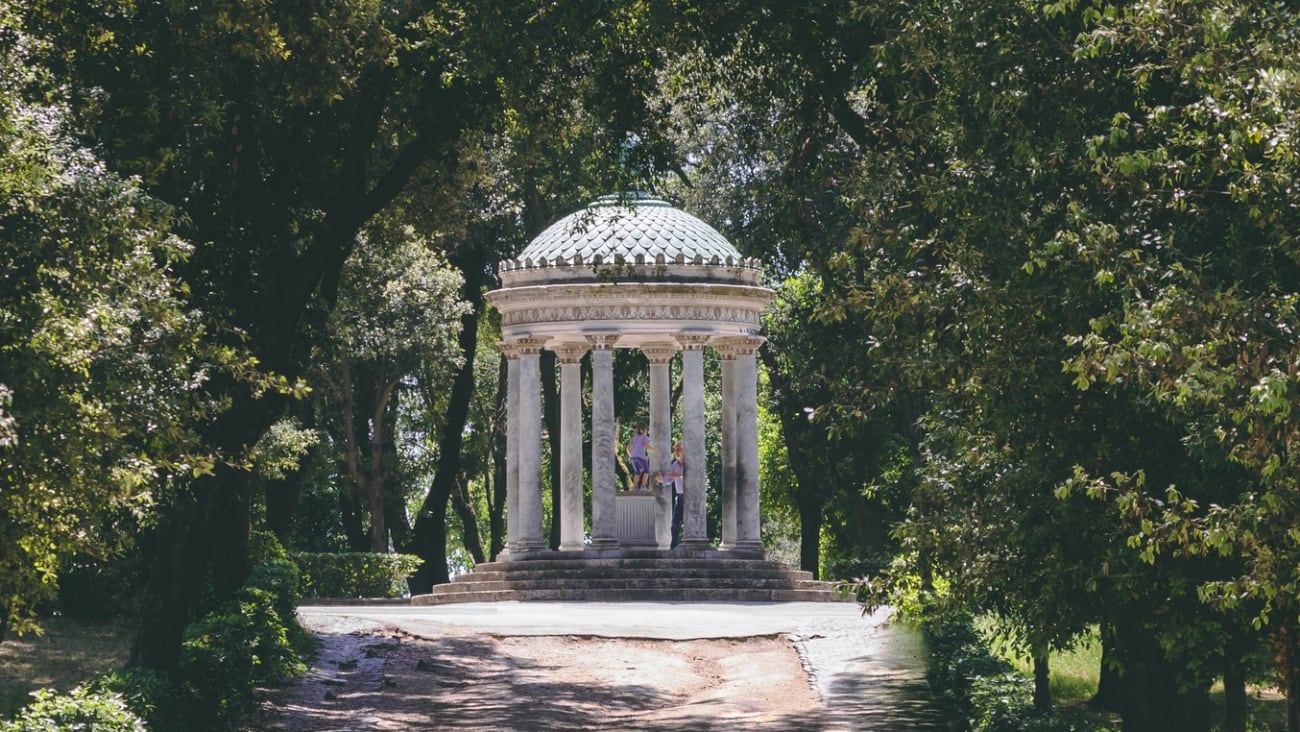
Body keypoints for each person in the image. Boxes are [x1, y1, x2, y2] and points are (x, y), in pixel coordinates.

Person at [657, 441, 685, 547]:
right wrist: (661, 480)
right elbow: (669, 479)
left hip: (691, 498)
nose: (675, 452)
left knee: (691, 524)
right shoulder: (675, 465)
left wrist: (677, 476)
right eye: (674, 450)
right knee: (674, 524)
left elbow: (693, 478)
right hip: (680, 498)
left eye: (678, 449)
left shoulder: (690, 464)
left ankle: (689, 545)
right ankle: (674, 548)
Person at [626, 421, 652, 491]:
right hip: (641, 457)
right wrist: (655, 450)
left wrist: (631, 456)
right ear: (645, 430)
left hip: (633, 458)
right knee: (646, 471)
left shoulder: (634, 438)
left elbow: (628, 448)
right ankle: (643, 486)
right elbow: (646, 445)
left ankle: (635, 487)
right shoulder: (645, 437)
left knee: (637, 472)